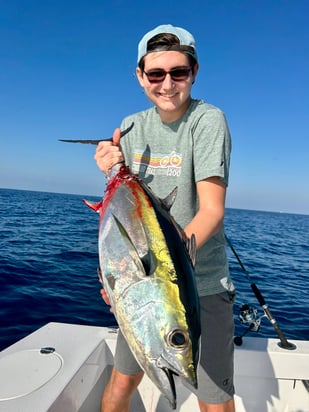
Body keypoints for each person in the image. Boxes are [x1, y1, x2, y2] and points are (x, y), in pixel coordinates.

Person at [95, 24, 236, 412]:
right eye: (156, 74)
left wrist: (153, 280)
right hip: (140, 289)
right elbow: (124, 212)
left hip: (202, 285)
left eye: (179, 72)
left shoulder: (207, 121)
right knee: (122, 381)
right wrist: (118, 277)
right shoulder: (132, 126)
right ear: (140, 76)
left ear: (194, 72)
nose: (168, 84)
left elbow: (211, 210)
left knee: (213, 399)